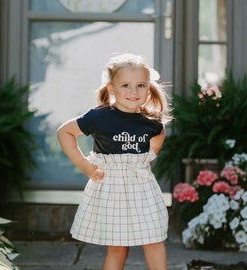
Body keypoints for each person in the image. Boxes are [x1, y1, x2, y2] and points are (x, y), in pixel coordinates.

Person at [57, 53, 172, 270]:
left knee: (154, 239)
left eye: (140, 85)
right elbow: (65, 132)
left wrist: (147, 158)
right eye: (126, 85)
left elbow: (158, 135)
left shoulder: (150, 122)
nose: (133, 92)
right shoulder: (99, 117)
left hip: (142, 188)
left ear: (148, 88)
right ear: (111, 88)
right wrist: (84, 165)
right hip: (111, 188)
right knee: (118, 247)